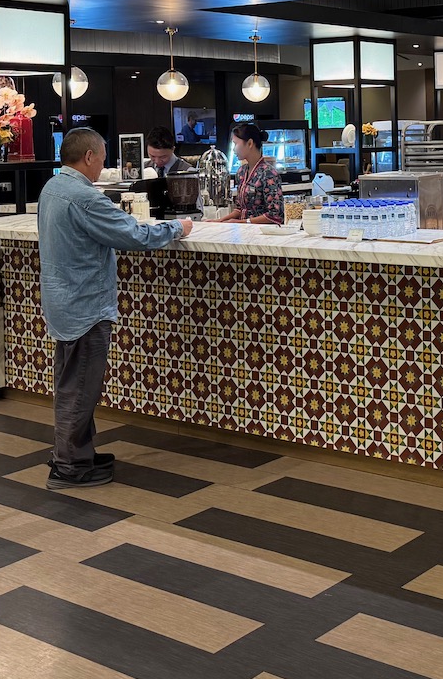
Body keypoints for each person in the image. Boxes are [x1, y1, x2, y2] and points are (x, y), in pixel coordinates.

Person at [38, 127, 191, 489]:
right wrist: (178, 228)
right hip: (85, 305)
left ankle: (78, 453)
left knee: (70, 382)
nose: (104, 167)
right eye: (103, 159)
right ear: (89, 156)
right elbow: (134, 235)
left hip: (62, 301)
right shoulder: (84, 197)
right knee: (81, 386)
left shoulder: (52, 188)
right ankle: (69, 466)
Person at [216, 122, 284, 224]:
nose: (234, 149)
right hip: (245, 232)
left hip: (263, 234)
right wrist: (219, 221)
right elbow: (240, 209)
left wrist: (243, 222)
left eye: (235, 144)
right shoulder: (241, 172)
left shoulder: (268, 174)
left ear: (250, 143)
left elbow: (275, 215)